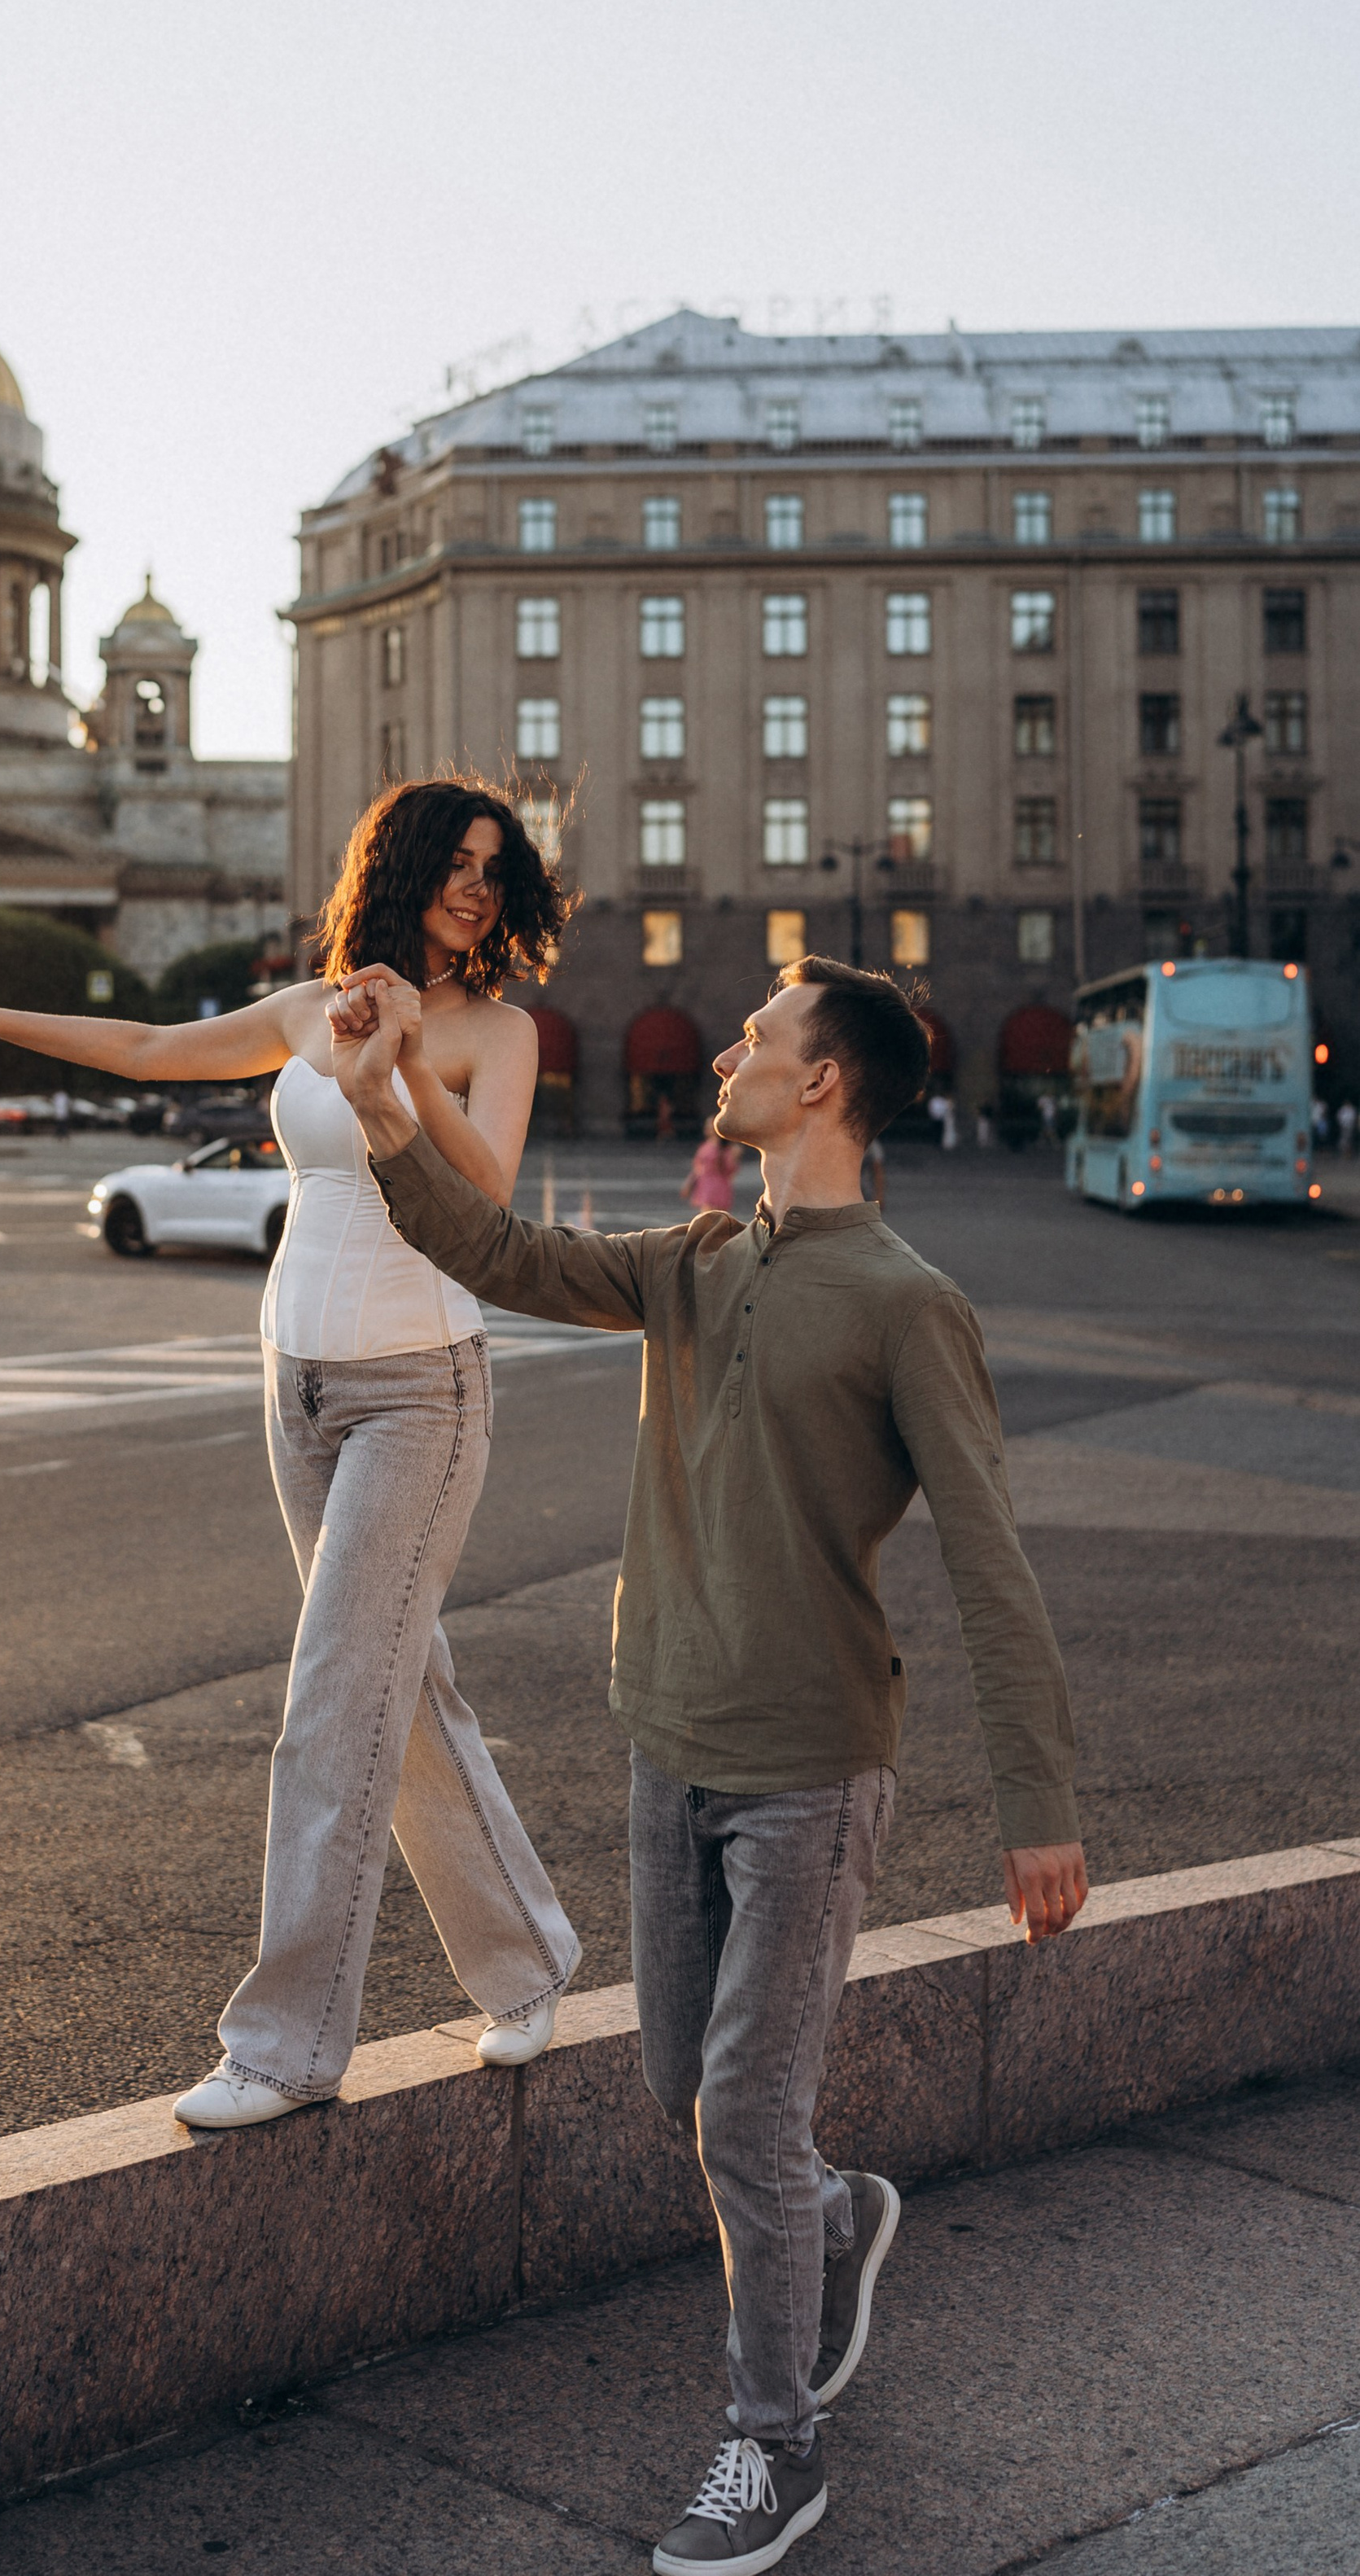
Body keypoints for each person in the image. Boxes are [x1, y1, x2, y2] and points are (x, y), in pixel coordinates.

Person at [333, 955, 1085, 2574]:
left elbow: (989, 1563)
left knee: (741, 2109)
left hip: (809, 1769)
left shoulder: (905, 1304)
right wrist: (384, 1095)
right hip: (664, 1738)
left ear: (821, 1083)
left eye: (758, 1037)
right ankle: (837, 2215)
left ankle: (776, 2445)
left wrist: (1037, 1808)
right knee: (687, 2087)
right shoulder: (693, 1261)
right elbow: (496, 1250)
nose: (731, 1051)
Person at [0, 778, 582, 2130]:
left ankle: (283, 2050)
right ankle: (528, 1960)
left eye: (497, 869)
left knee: (332, 1703)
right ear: (400, 867)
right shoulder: (311, 1010)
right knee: (400, 1691)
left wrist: (403, 1062)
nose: (476, 887)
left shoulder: (498, 1032)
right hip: (298, 1385)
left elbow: (487, 1194)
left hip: (421, 1390)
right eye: (455, 860)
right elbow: (148, 1046)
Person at [681, 1120, 741, 1213]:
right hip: (707, 1183)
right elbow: (697, 1167)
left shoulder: (727, 1148)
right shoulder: (706, 1146)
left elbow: (731, 1169)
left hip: (718, 1183)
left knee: (715, 1214)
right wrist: (689, 1183)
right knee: (709, 1213)